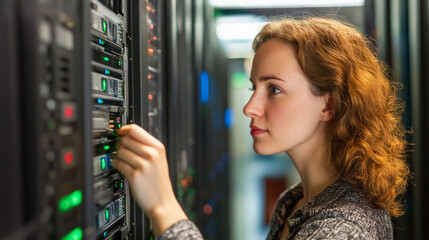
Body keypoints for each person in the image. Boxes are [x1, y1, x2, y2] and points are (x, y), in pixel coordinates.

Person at [112, 17, 410, 240]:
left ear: (328, 105)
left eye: (274, 89)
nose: (249, 107)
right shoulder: (295, 199)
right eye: (255, 87)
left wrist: (164, 208)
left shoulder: (343, 229)